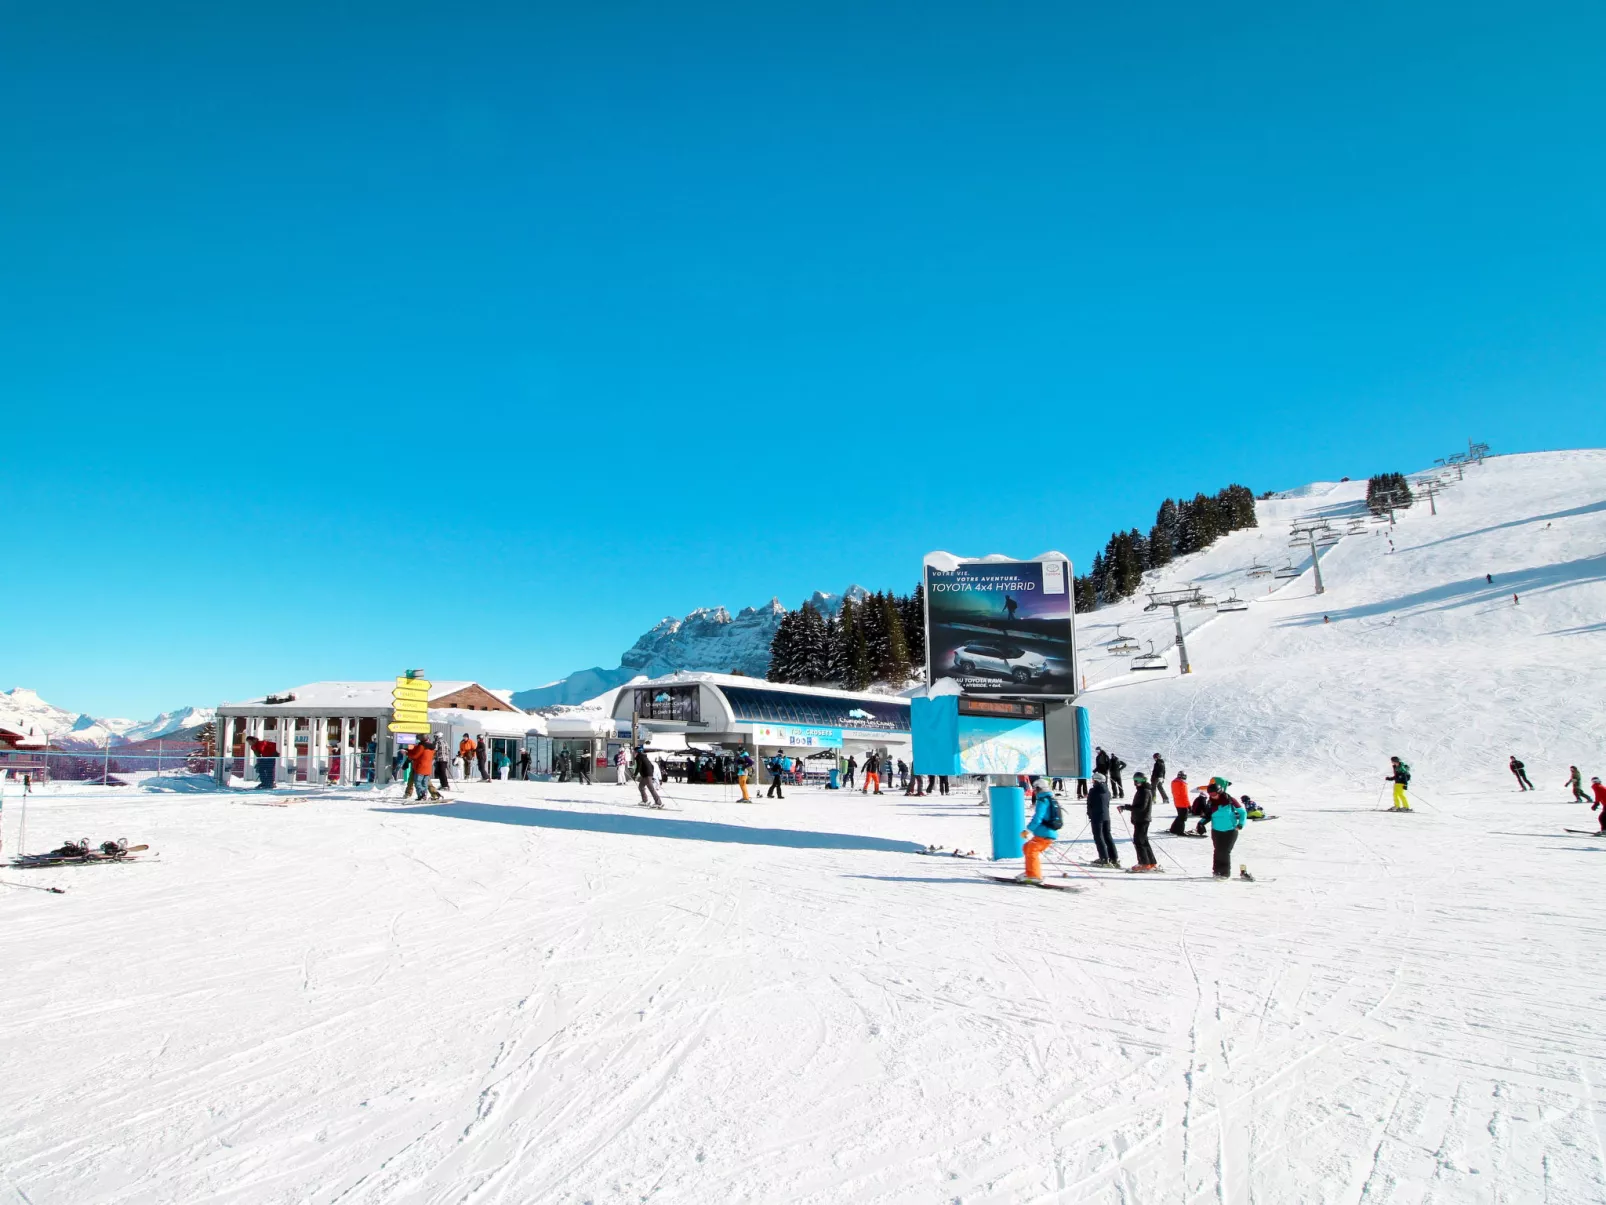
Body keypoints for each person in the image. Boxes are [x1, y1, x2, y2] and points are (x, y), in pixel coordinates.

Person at [1015, 778, 1062, 884]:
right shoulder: (1049, 798)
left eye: (1035, 789)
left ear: (1039, 789)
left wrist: (1027, 830)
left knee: (1032, 850)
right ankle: (1029, 872)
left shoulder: (1043, 801)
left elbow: (1037, 818)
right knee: (1027, 847)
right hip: (1045, 832)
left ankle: (1034, 876)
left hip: (1045, 833)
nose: (1034, 792)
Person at [1118, 772, 1159, 871]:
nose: (1137, 783)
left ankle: (1144, 863)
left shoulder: (1144, 791)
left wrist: (1126, 807)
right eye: (1135, 781)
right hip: (1141, 819)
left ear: (1144, 780)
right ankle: (1151, 862)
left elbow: (1141, 807)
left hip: (1142, 819)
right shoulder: (1142, 790)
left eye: (1139, 781)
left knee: (1139, 841)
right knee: (1143, 841)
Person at [1205, 779, 1246, 877]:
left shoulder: (1230, 800)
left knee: (1225, 851)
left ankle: (1225, 873)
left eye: (1214, 793)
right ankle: (1216, 871)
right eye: (1210, 794)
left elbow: (1242, 812)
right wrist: (1201, 824)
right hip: (1216, 830)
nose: (1212, 795)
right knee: (1217, 850)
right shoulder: (1210, 802)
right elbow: (1207, 815)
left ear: (1219, 791)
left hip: (1231, 830)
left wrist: (1240, 824)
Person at [1086, 772, 1118, 867]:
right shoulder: (1107, 791)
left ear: (1096, 781)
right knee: (1107, 836)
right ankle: (1114, 857)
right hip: (1106, 817)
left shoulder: (1093, 790)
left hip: (1097, 817)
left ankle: (1104, 858)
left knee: (1099, 837)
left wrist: (1090, 814)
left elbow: (1090, 804)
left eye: (1093, 780)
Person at [1169, 770, 1191, 835]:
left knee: (1180, 816)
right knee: (1183, 818)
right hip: (1183, 803)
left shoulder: (1174, 782)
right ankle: (1180, 831)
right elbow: (1185, 796)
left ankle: (1173, 829)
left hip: (1177, 802)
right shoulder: (1182, 784)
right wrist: (1189, 805)